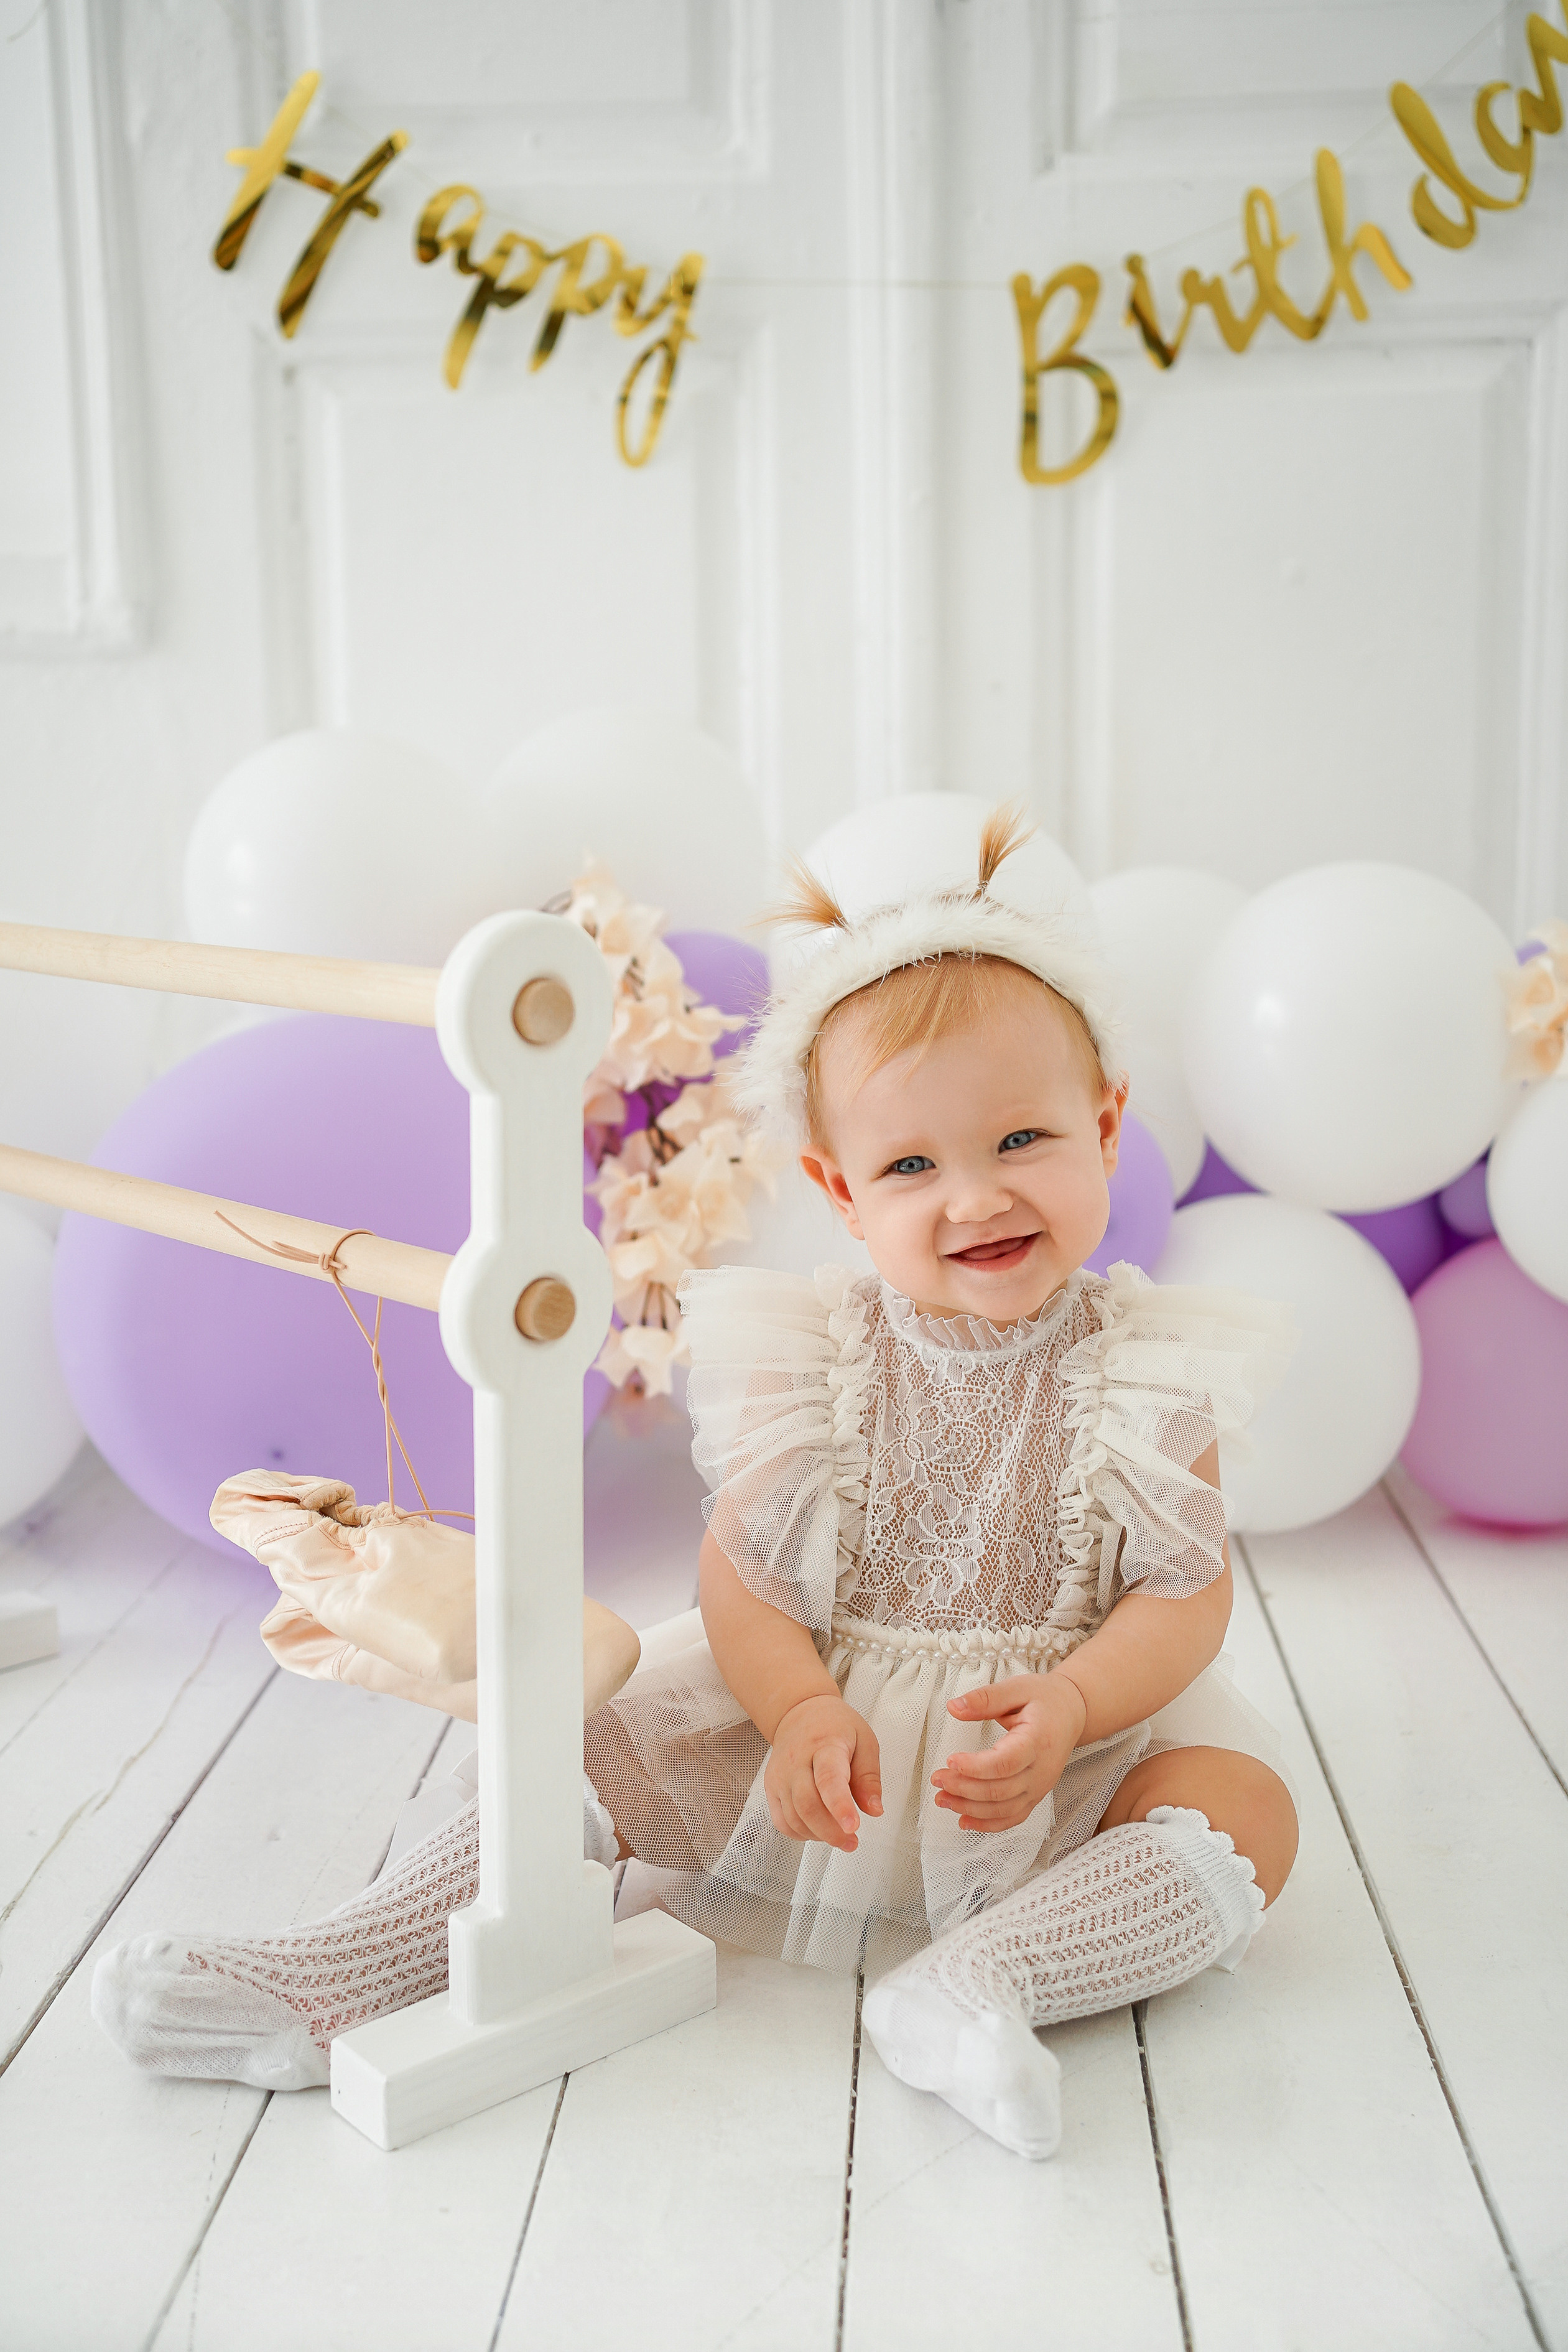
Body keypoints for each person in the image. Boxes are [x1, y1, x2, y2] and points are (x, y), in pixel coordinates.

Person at [95, 808, 1298, 2160]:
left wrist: (1077, 1698)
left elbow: (1183, 1597)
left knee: (1249, 1808)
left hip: (1052, 1746)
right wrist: (792, 1710)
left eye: (1021, 1139)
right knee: (588, 1743)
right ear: (841, 1192)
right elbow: (743, 1571)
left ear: (1107, 1122)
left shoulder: (1145, 1364)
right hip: (821, 1733)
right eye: (912, 1165)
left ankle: (984, 1987)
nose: (975, 1198)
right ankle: (338, 1971)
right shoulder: (817, 1354)